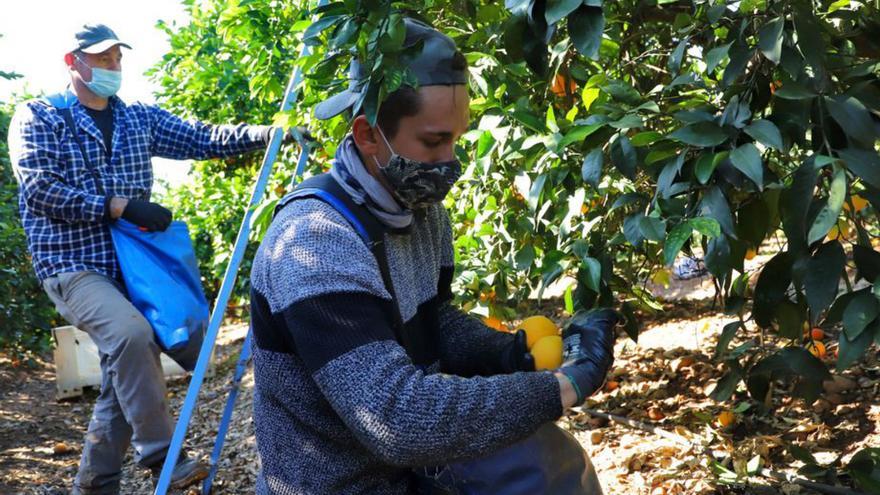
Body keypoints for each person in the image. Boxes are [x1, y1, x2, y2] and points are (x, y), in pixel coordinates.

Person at [248, 18, 617, 494]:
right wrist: (561, 387)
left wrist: (507, 353)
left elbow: (431, 321)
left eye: (456, 139)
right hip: (341, 485)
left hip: (414, 474)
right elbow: (394, 417)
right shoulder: (314, 243)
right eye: (433, 141)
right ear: (366, 135)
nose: (450, 161)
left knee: (556, 468)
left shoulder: (419, 208)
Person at [7, 23, 293, 494]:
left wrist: (273, 134)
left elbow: (201, 137)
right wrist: (116, 206)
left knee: (133, 368)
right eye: (102, 58)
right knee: (132, 335)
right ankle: (162, 456)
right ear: (72, 62)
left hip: (136, 266)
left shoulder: (137, 117)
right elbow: (39, 189)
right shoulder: (39, 117)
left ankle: (93, 488)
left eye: (118, 57)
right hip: (73, 264)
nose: (113, 67)